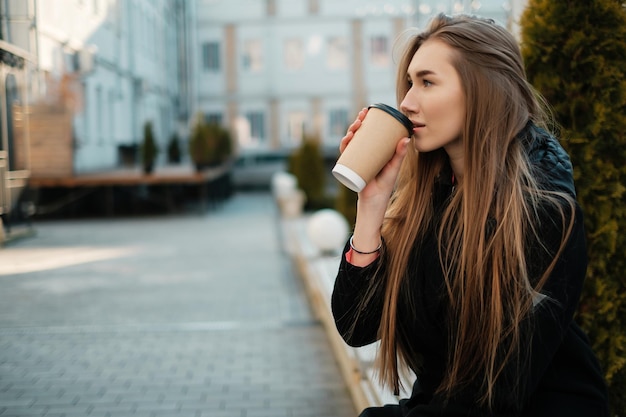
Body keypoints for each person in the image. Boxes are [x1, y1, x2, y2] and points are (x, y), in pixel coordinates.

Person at [331, 13, 610, 417]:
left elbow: (490, 396)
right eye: (409, 82)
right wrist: (372, 207)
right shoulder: (428, 199)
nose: (407, 102)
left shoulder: (543, 210)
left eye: (427, 82)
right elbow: (357, 328)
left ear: (484, 91)